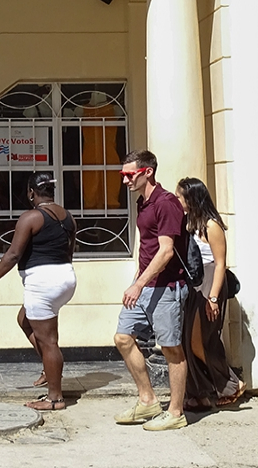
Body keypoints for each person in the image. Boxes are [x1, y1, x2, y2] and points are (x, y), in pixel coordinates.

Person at [0, 172, 77, 411]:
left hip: (42, 282)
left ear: (31, 192)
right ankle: (49, 368)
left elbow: (13, 254)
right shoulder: (68, 217)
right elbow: (69, 250)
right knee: (24, 319)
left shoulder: (31, 217)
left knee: (49, 342)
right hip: (65, 278)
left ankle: (55, 399)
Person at [113, 150, 189, 431]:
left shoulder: (166, 203)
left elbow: (166, 251)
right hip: (146, 286)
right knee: (123, 338)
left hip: (166, 288)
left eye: (129, 175)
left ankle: (176, 412)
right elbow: (146, 249)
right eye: (123, 175)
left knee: (171, 348)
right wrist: (137, 281)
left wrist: (138, 283)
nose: (125, 181)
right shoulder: (142, 203)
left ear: (148, 172)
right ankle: (147, 400)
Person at [175, 177, 243, 412]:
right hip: (194, 285)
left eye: (180, 197)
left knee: (200, 342)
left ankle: (231, 383)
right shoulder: (188, 223)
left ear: (192, 199)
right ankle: (201, 394)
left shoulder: (211, 226)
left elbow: (220, 262)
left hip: (210, 283)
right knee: (188, 341)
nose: (177, 201)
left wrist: (213, 297)